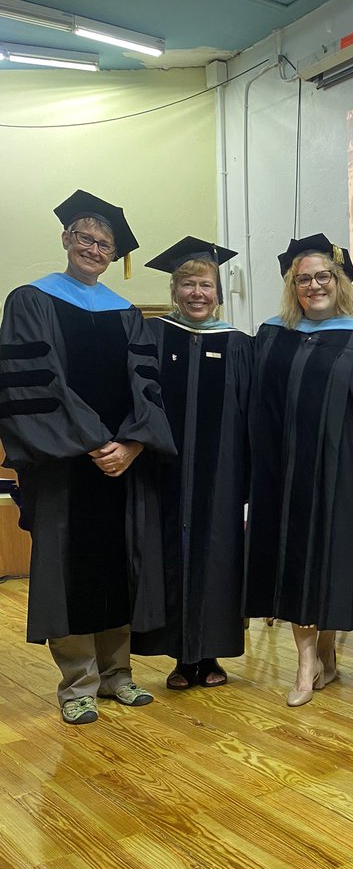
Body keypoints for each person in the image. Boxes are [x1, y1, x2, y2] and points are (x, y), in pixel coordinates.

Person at [0, 190, 175, 724]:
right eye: (85, 238)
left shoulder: (128, 315)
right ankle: (78, 681)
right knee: (68, 568)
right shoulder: (30, 301)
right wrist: (97, 442)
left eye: (105, 244)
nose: (94, 249)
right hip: (65, 461)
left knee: (121, 562)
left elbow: (147, 385)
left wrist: (135, 443)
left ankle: (118, 674)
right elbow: (37, 383)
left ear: (114, 254)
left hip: (122, 461)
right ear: (65, 239)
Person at [244, 234, 353, 706]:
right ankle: (306, 665)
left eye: (322, 276)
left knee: (327, 567)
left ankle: (325, 655)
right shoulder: (271, 335)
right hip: (282, 475)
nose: (313, 285)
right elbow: (252, 406)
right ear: (293, 286)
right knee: (293, 564)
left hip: (343, 477)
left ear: (339, 280)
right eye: (302, 279)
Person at [130, 237, 252, 689]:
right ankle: (181, 657)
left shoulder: (240, 345)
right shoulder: (154, 336)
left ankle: (211, 654)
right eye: (187, 284)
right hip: (165, 471)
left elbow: (251, 414)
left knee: (218, 556)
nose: (197, 293)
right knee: (168, 555)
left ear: (219, 292)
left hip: (221, 475)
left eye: (206, 285)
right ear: (174, 290)